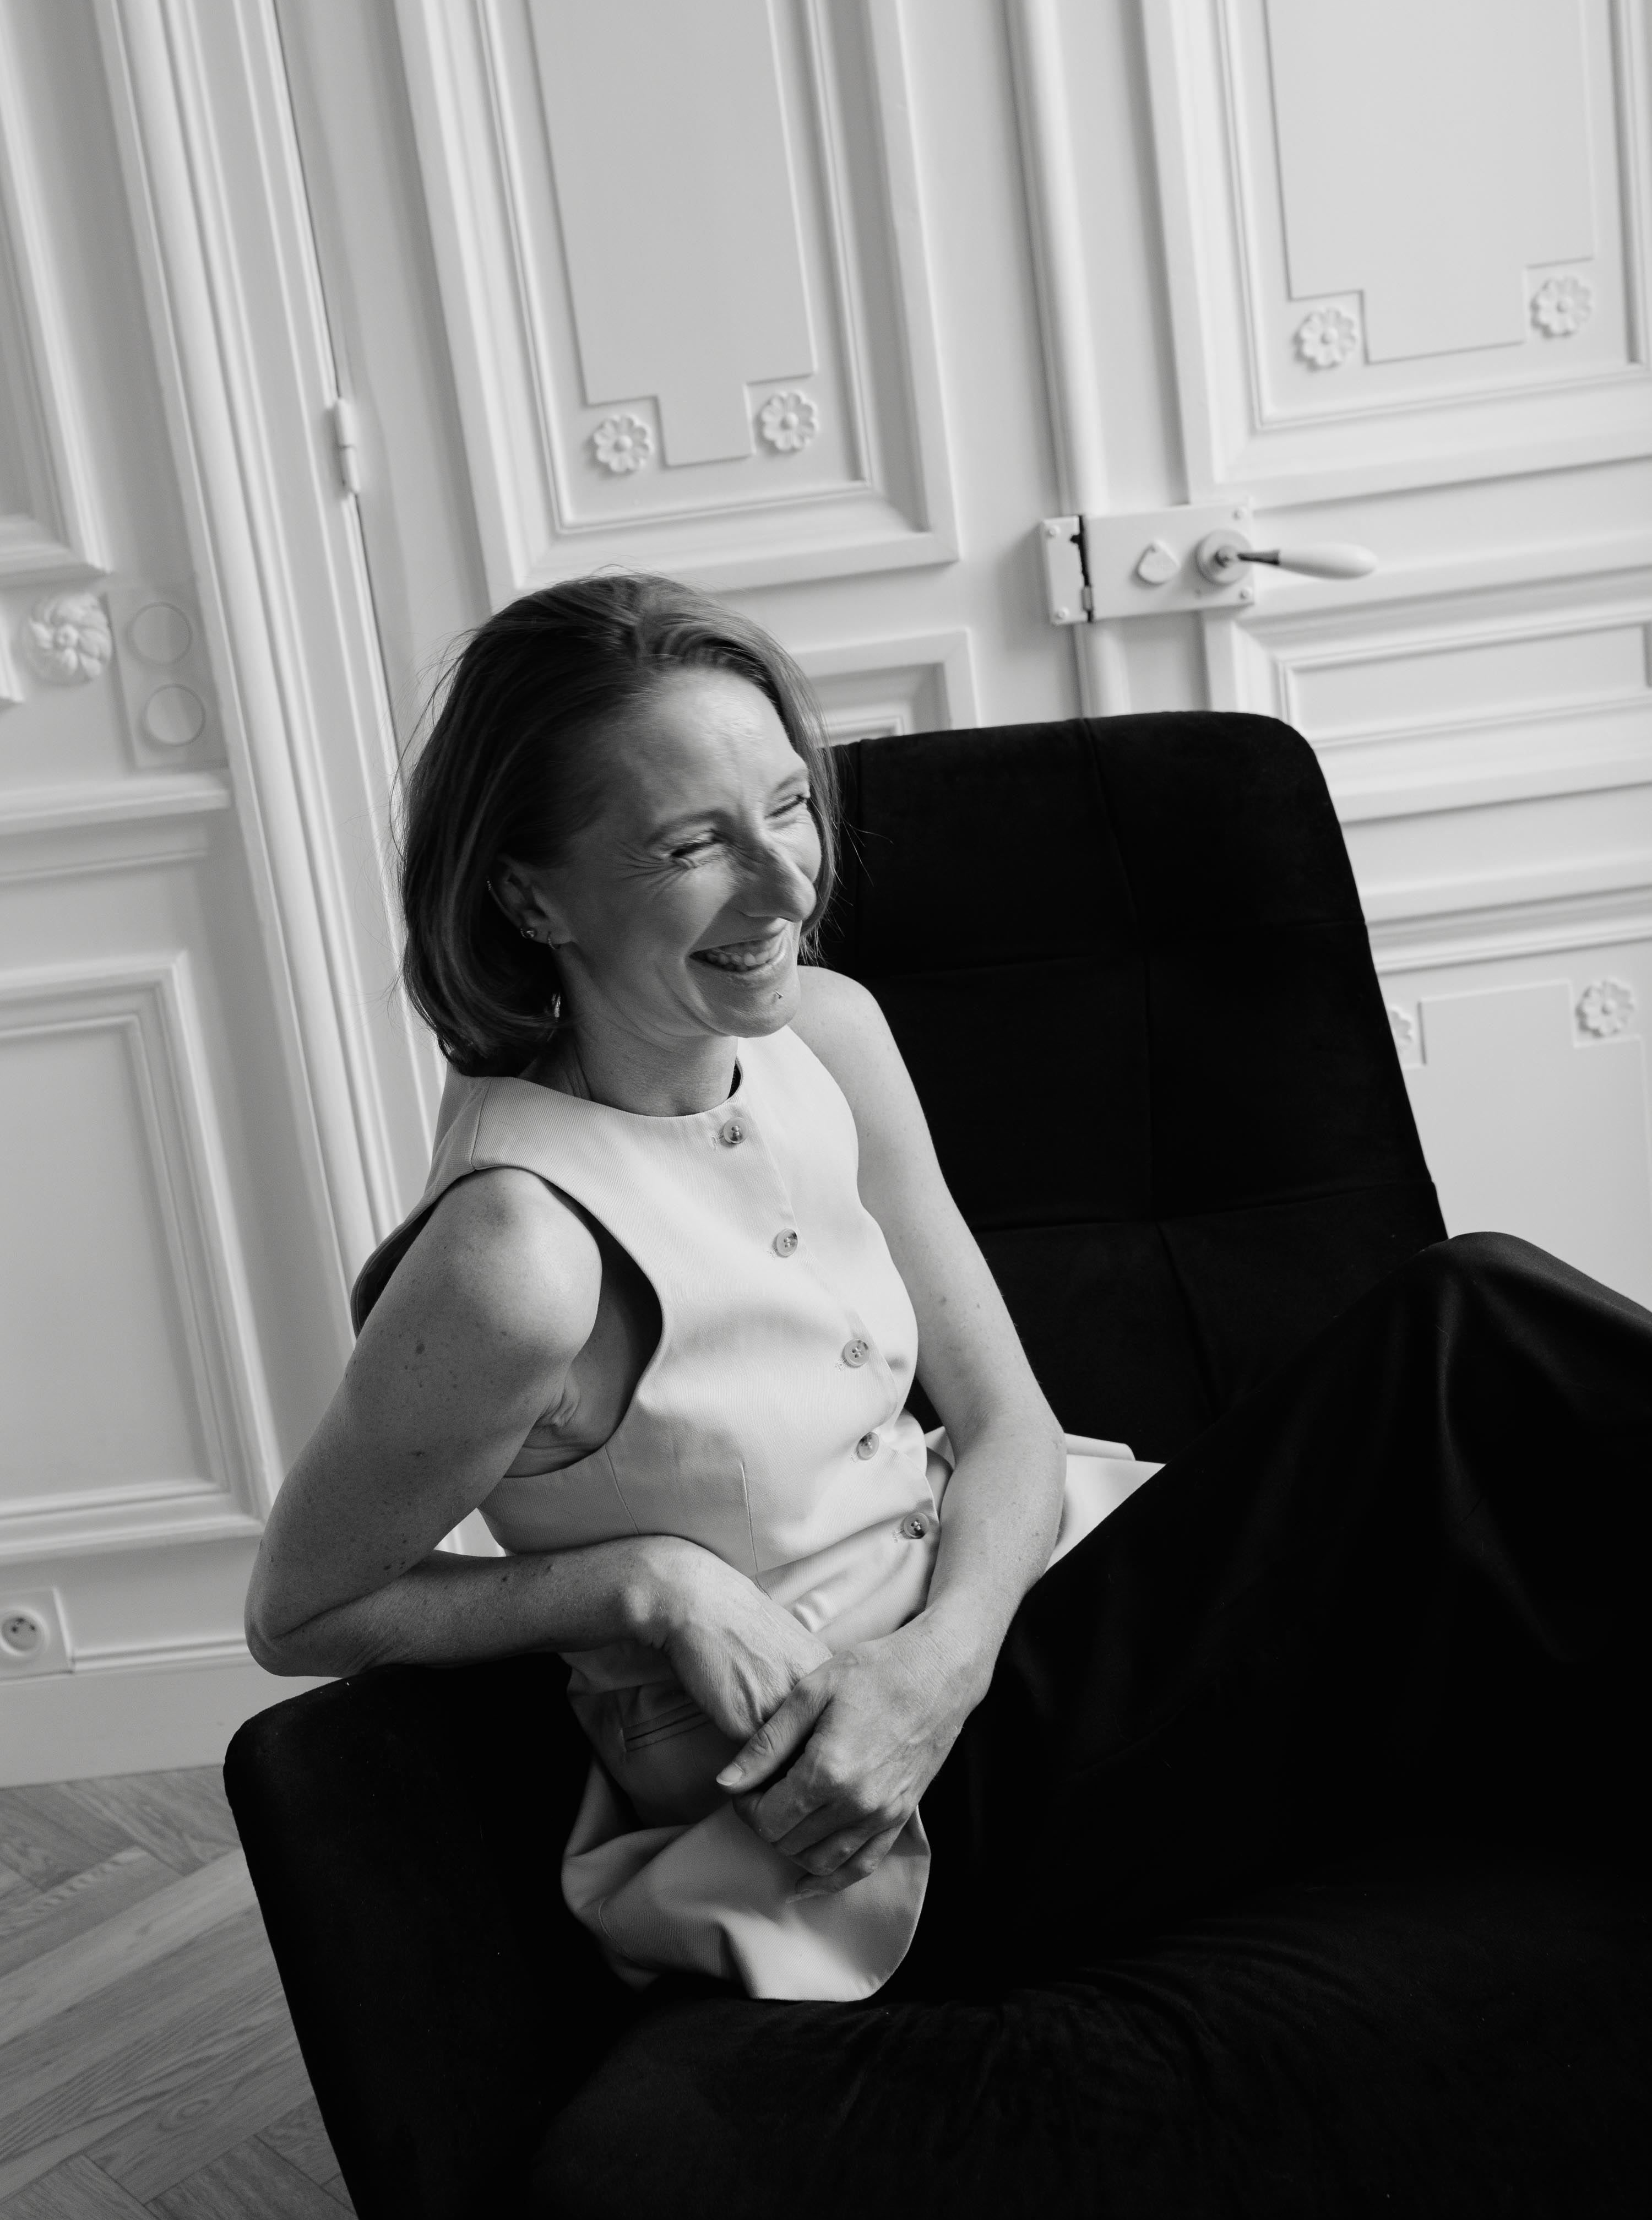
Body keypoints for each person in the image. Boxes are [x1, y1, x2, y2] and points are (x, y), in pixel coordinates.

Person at [247, 573, 1650, 2006]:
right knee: (1459, 1337)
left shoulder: (829, 1034)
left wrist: (945, 1659)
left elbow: (1011, 1425)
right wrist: (648, 1584)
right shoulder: (518, 1253)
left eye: (788, 806)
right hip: (862, 1819)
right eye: (693, 844)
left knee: (1513, 1532)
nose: (788, 885)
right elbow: (300, 1612)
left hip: (998, 1641)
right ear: (526, 892)